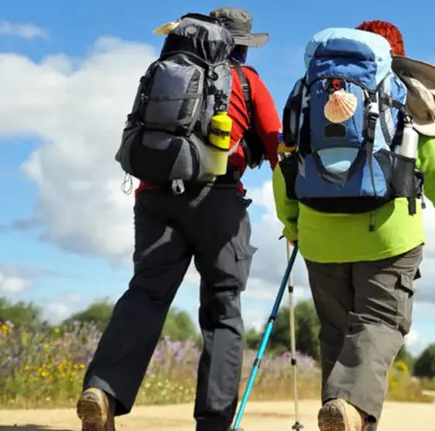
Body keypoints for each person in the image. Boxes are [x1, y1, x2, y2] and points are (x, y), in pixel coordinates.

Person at [76, 7, 281, 431]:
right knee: (223, 309)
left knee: (145, 295)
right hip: (219, 200)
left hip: (154, 196)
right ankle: (213, 423)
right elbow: (279, 148)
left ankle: (103, 392)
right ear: (241, 44)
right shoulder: (247, 81)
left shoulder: (167, 70)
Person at [273, 20, 435, 431]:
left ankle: (342, 411)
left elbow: (284, 165)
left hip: (320, 237)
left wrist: (292, 224)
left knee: (337, 337)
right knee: (380, 323)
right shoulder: (405, 98)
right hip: (387, 239)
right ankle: (346, 405)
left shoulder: (308, 95)